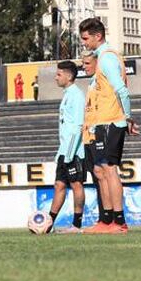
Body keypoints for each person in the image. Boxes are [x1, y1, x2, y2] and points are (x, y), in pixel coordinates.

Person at [79, 17, 139, 234]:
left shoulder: (106, 58)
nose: (84, 43)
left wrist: (128, 117)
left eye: (86, 38)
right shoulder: (101, 58)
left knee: (110, 169)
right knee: (100, 170)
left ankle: (119, 222)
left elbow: (121, 90)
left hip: (110, 121)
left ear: (98, 36)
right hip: (101, 123)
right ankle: (106, 220)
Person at [49, 60, 86, 234]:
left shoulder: (77, 95)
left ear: (69, 76)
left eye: (59, 74)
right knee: (59, 185)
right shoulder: (66, 95)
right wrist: (61, 152)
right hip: (64, 150)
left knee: (76, 184)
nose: (56, 77)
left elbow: (78, 126)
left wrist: (70, 153)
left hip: (75, 151)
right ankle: (48, 223)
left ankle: (77, 225)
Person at [80, 52, 106, 224]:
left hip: (98, 134)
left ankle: (109, 217)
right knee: (96, 178)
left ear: (97, 63)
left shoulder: (101, 82)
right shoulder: (91, 83)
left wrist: (97, 130)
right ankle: (102, 218)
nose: (84, 66)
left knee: (102, 175)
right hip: (88, 137)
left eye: (87, 63)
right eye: (83, 63)